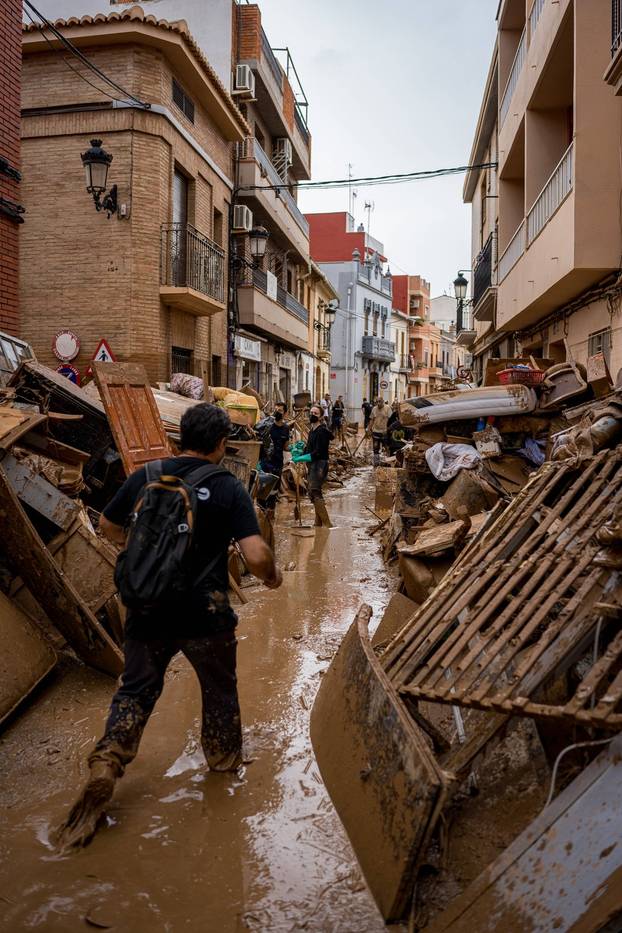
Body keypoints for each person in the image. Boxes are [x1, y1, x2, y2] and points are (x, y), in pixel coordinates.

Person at [55, 404, 282, 849]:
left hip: (147, 609)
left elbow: (107, 525)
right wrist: (272, 577)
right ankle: (222, 766)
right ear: (221, 444)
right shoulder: (227, 486)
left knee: (136, 690)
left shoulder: (147, 474)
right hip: (205, 613)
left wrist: (150, 553)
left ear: (181, 439)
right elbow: (255, 556)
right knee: (219, 691)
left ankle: (107, 761)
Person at [304, 403, 334, 527]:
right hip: (313, 464)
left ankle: (328, 524)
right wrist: (301, 452)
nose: (312, 415)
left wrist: (304, 457)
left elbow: (318, 452)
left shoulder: (322, 431)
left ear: (321, 417)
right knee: (313, 492)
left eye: (315, 413)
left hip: (320, 464)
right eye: (311, 413)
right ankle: (318, 523)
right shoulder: (312, 430)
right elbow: (310, 447)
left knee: (314, 490)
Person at [369, 396, 390, 467]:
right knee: (375, 448)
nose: (378, 403)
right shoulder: (374, 409)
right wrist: (369, 429)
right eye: (377, 402)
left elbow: (391, 419)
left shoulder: (387, 408)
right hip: (376, 431)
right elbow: (371, 419)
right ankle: (376, 463)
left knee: (387, 447)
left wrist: (389, 429)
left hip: (385, 432)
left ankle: (389, 461)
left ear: (383, 401)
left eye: (379, 402)